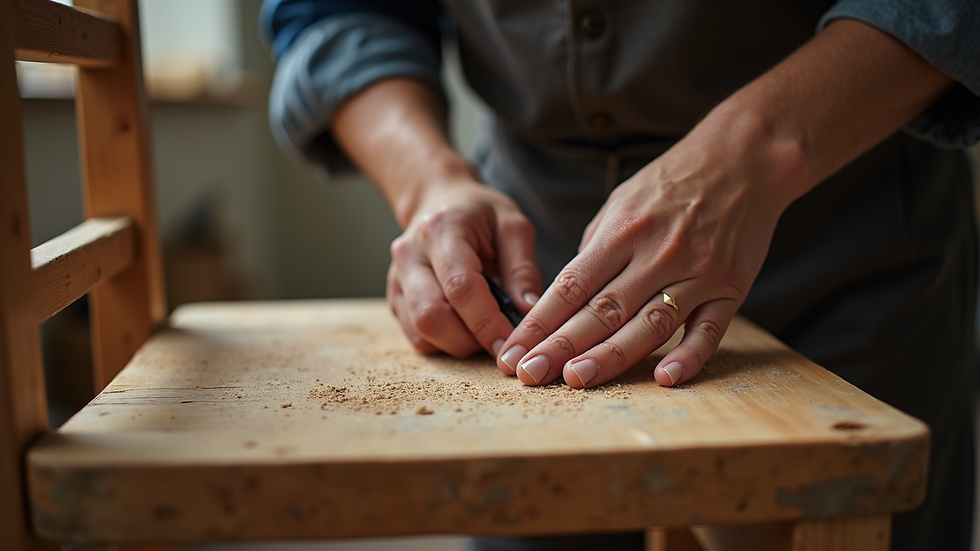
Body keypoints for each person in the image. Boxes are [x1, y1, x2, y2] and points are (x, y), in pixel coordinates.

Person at [261, 1, 980, 549]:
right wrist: (429, 183)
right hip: (531, 288)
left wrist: (756, 152)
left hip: (845, 252)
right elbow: (335, 11)